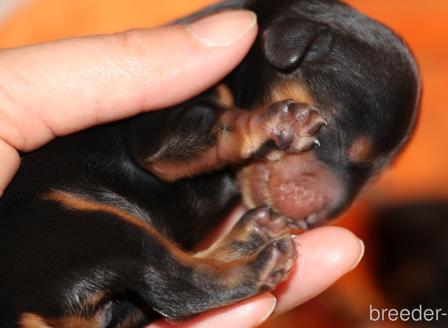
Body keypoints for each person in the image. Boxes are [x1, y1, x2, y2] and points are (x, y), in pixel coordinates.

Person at [0, 10, 364, 328]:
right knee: (124, 247)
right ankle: (197, 285)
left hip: (94, 293)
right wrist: (249, 131)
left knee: (134, 268)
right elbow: (159, 155)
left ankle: (217, 264)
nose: (334, 203)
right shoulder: (198, 92)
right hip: (29, 258)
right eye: (328, 138)